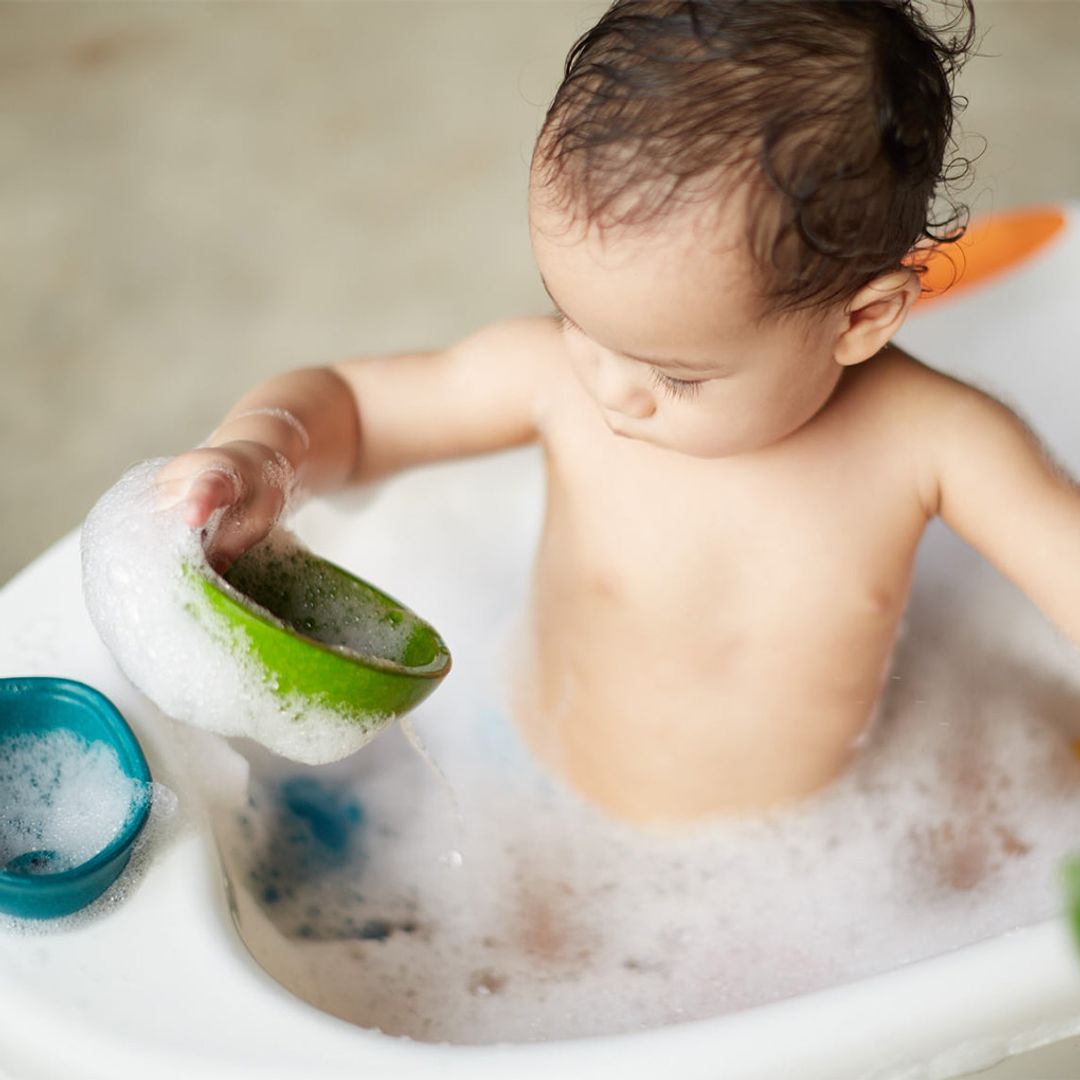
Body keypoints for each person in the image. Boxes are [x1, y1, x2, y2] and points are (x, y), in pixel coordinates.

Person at [157, 0, 1071, 825]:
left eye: (676, 375)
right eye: (574, 318)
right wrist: (260, 455)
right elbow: (355, 410)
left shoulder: (935, 442)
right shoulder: (555, 375)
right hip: (538, 803)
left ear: (861, 320)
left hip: (815, 840)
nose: (607, 383)